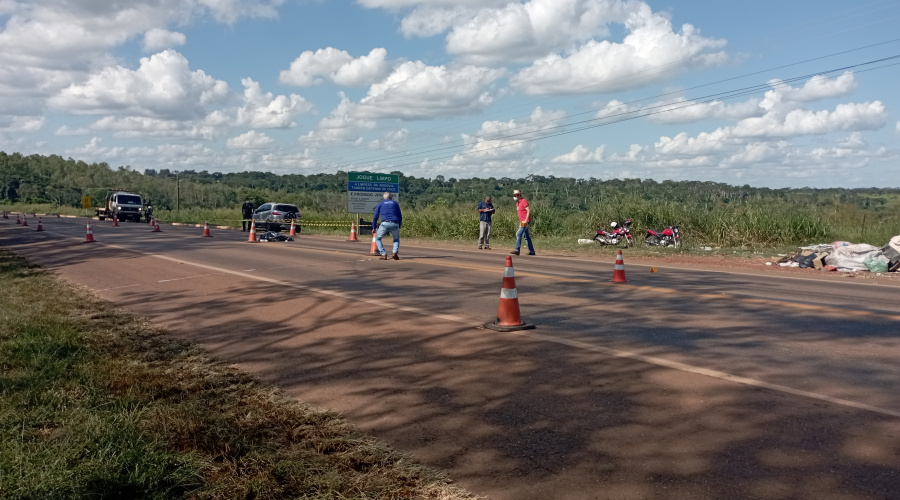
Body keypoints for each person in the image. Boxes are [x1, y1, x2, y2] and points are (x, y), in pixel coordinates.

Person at [373, 192, 402, 260]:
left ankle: (383, 254)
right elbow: (400, 216)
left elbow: (375, 217)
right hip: (395, 223)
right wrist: (399, 225)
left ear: (384, 198)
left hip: (385, 223)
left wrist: (374, 227)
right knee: (396, 239)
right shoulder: (395, 203)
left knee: (377, 238)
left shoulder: (380, 203)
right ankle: (395, 253)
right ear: (391, 197)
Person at [511, 189, 535, 256]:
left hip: (525, 221)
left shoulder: (524, 201)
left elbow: (528, 211)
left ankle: (517, 250)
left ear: (519, 195)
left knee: (518, 234)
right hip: (522, 221)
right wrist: (520, 222)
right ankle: (532, 251)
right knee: (526, 236)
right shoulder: (517, 203)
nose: (515, 196)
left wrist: (526, 220)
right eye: (514, 195)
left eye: (516, 195)